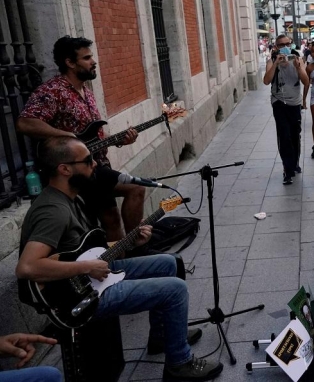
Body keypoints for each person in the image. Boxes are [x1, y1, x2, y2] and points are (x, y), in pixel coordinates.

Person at [16, 137, 219, 381]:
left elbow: (85, 250)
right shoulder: (52, 210)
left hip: (88, 274)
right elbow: (27, 267)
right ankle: (179, 363)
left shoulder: (73, 198)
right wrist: (87, 266)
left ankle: (163, 336)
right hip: (77, 297)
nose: (95, 165)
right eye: (88, 160)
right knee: (175, 289)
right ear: (65, 169)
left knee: (167, 262)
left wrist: (131, 241)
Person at [17, 36, 144, 243]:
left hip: (96, 164)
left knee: (111, 218)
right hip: (75, 169)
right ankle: (136, 249)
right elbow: (25, 123)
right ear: (69, 62)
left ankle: (124, 256)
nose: (93, 62)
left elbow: (91, 137)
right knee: (135, 188)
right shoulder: (52, 91)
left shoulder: (86, 92)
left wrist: (120, 139)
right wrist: (65, 135)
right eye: (86, 58)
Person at [264, 34, 310, 185]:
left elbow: (306, 81)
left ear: (291, 44)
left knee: (295, 134)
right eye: (280, 45)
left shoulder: (298, 59)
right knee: (284, 135)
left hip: (295, 102)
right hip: (279, 102)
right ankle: (287, 169)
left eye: (287, 44)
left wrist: (299, 68)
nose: (284, 47)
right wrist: (276, 64)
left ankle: (295, 162)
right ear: (276, 47)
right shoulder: (271, 61)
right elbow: (266, 81)